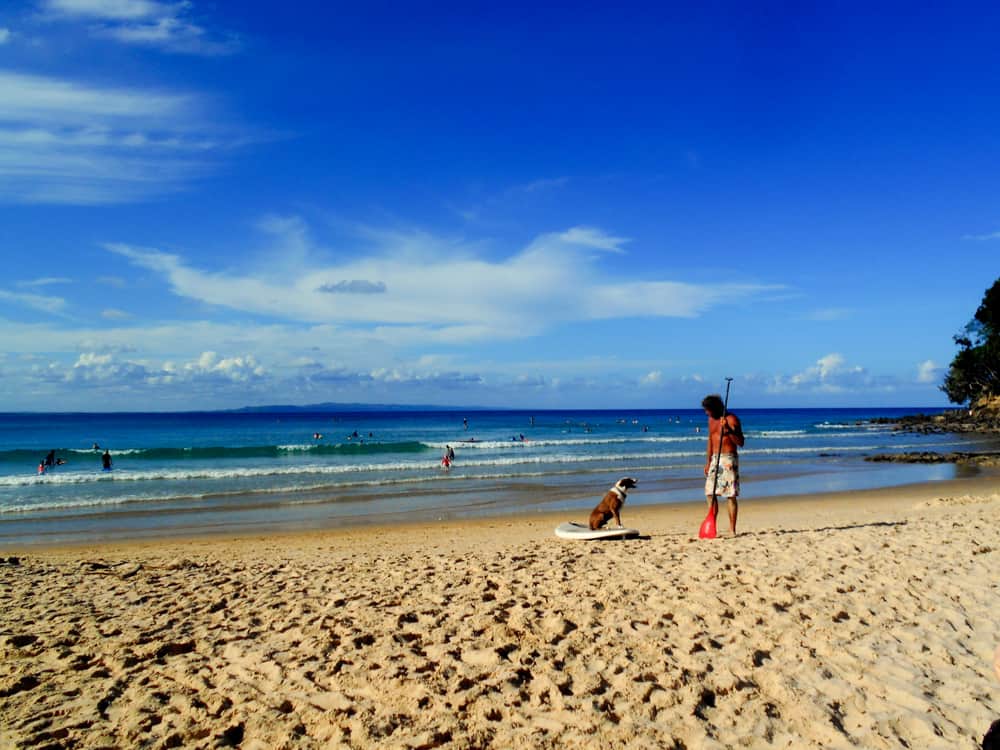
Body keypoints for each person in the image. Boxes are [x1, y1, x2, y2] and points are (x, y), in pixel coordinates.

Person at [702, 393, 745, 536]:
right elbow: (710, 440)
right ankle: (712, 524)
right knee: (710, 493)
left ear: (714, 408)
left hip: (728, 459)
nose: (706, 412)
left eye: (707, 410)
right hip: (715, 459)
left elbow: (740, 442)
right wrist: (708, 462)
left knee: (730, 495)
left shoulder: (731, 419)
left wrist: (728, 430)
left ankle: (732, 529)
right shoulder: (710, 420)